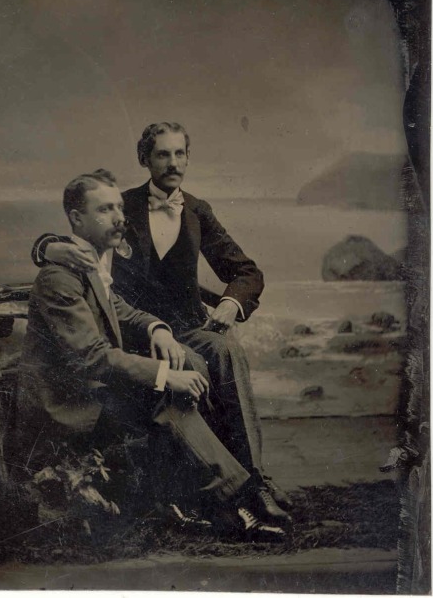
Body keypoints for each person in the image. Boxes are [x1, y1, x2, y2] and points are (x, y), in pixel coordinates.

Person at [31, 123, 291, 522]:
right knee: (192, 367)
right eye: (162, 155)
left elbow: (247, 272)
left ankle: (252, 478)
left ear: (188, 158)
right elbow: (77, 240)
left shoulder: (198, 211)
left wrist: (229, 304)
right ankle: (227, 490)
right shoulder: (123, 205)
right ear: (145, 159)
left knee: (224, 348)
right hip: (133, 339)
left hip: (178, 327)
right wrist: (48, 245)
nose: (173, 163)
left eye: (180, 154)